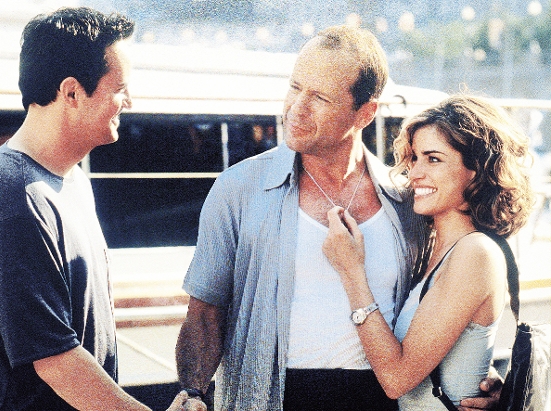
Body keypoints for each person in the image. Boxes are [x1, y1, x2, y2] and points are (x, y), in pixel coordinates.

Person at [168, 25, 503, 411]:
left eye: (320, 97)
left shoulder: (405, 202)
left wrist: (483, 382)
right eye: (295, 87)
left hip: (381, 400)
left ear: (365, 113)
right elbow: (204, 315)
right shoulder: (239, 190)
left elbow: (449, 306)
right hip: (271, 400)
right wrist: (193, 393)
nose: (296, 108)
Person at [0, 7, 152, 410]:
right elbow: (57, 362)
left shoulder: (71, 179)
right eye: (120, 88)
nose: (130, 102)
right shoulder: (14, 199)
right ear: (71, 93)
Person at [323, 94, 534, 409]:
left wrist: (351, 272)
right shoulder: (434, 247)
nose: (414, 173)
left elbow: (397, 379)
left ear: (476, 170)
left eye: (433, 159)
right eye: (414, 158)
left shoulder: (475, 252)